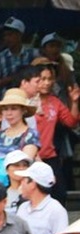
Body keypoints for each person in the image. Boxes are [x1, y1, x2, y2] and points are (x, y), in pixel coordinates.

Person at [35, 61, 80, 201]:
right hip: (31, 156)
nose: (46, 83)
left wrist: (74, 102)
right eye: (42, 79)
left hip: (50, 156)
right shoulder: (26, 101)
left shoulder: (55, 101)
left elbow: (71, 122)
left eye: (49, 79)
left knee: (60, 194)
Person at [0, 89, 39, 182]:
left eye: (14, 108)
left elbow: (24, 166)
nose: (9, 113)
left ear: (23, 110)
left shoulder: (30, 135)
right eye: (5, 109)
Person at [0, 17, 40, 99]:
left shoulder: (33, 54)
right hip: (7, 99)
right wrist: (13, 78)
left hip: (29, 98)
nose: (6, 38)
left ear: (19, 35)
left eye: (10, 35)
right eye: (5, 35)